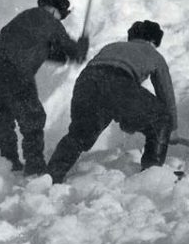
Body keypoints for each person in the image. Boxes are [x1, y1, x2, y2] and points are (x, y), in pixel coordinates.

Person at [47, 20, 177, 183]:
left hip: (86, 82)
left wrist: (127, 116)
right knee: (162, 119)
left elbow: (108, 96)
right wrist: (171, 129)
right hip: (119, 81)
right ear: (152, 41)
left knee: (80, 134)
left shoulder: (112, 46)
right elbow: (166, 94)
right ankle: (151, 177)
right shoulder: (153, 54)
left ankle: (50, 176)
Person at [0, 0, 88, 175]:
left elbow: (35, 46)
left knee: (1, 113)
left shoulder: (23, 18)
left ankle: (9, 162)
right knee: (32, 117)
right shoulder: (49, 20)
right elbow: (69, 47)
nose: (61, 19)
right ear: (53, 9)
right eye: (61, 15)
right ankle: (35, 165)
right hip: (14, 68)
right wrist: (80, 48)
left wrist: (63, 55)